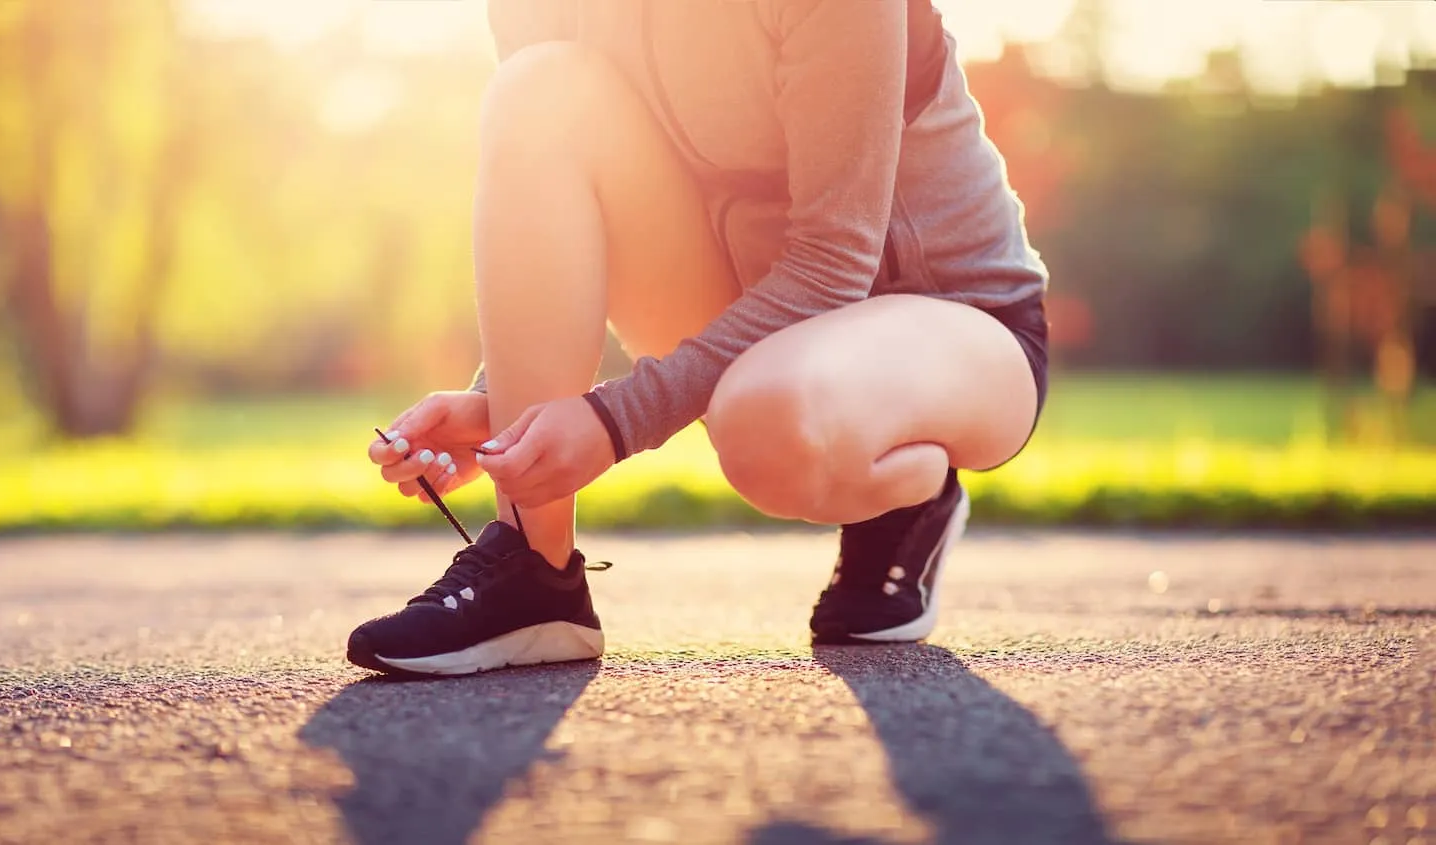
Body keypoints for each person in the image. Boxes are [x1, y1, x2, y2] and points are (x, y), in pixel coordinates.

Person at [348, 0, 1050, 677]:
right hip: (755, 322)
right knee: (540, 88)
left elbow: (833, 261)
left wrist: (615, 421)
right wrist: (503, 406)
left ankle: (909, 491)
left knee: (767, 419)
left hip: (956, 323)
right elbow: (566, 216)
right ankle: (533, 572)